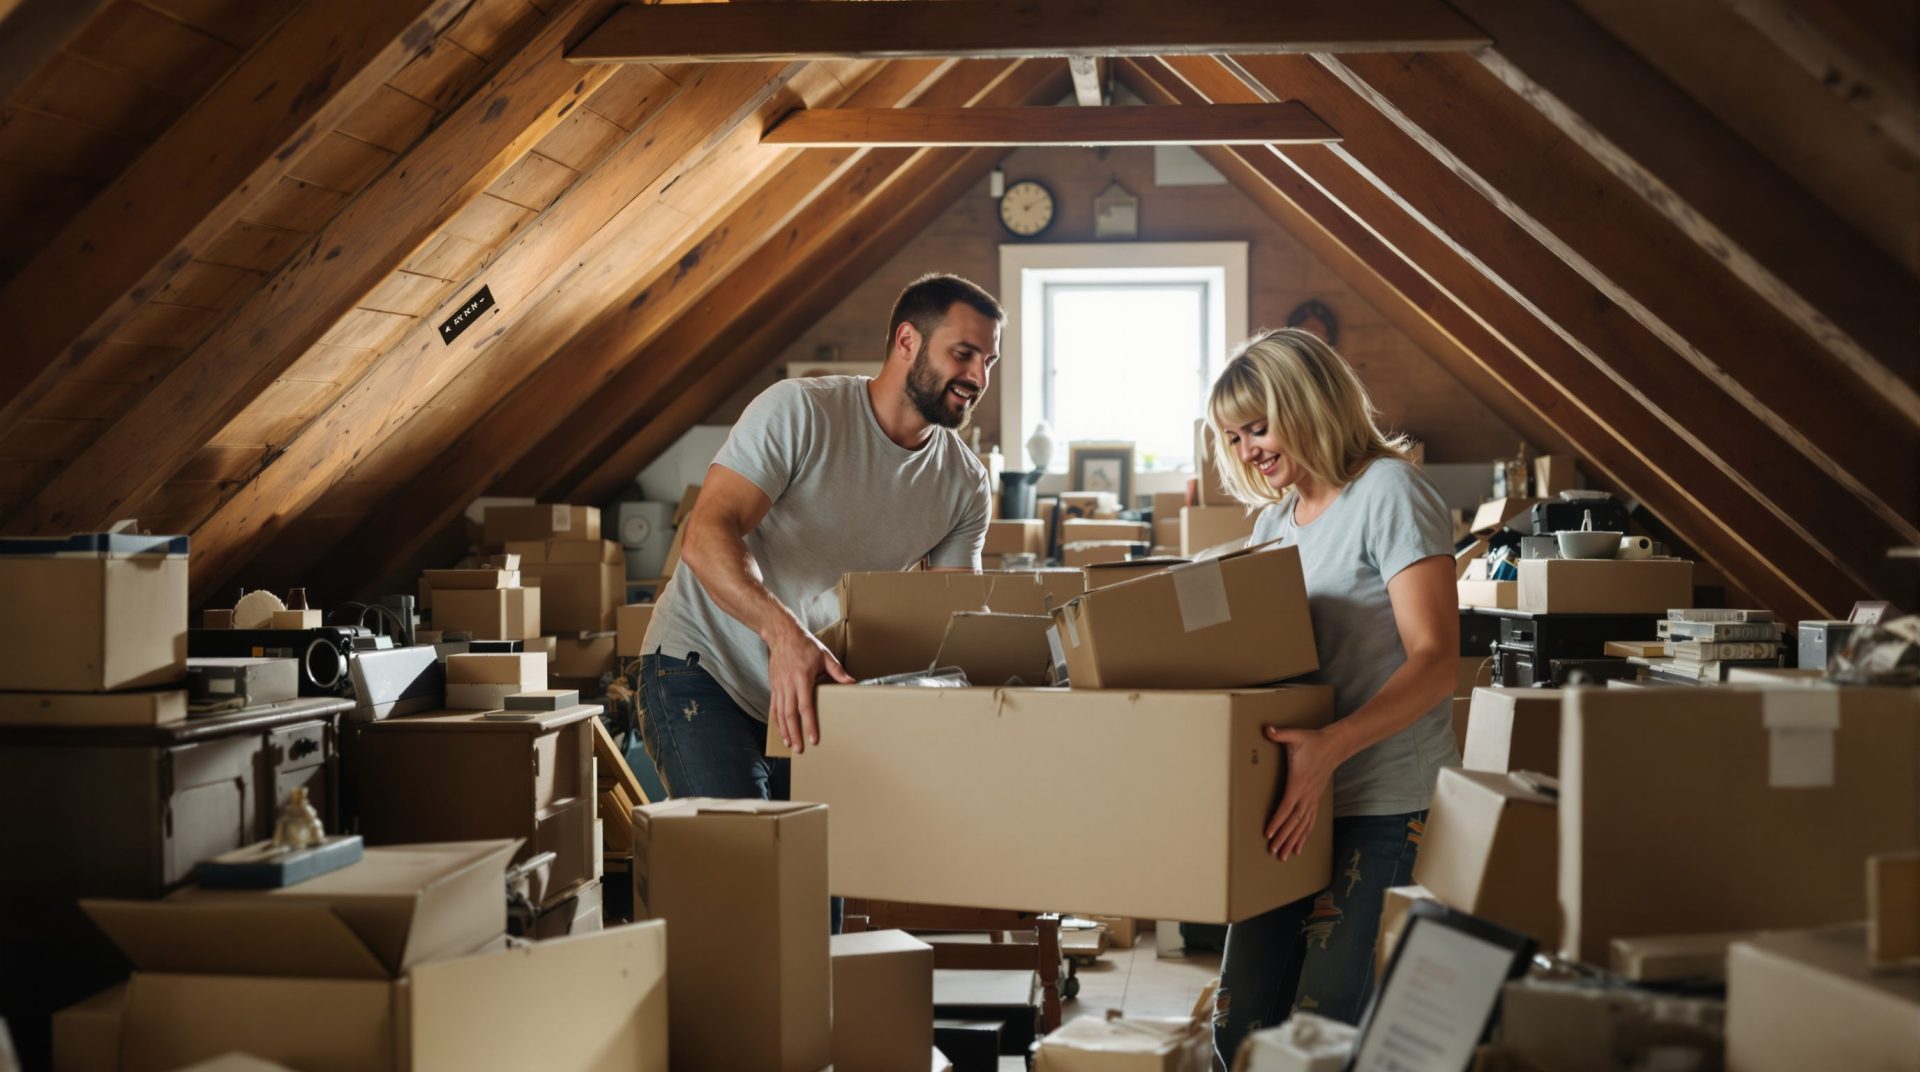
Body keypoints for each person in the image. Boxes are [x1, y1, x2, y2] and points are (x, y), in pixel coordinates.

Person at [635, 272, 1000, 801]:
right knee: (743, 863)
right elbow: (706, 532)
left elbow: (948, 621)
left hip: (815, 691)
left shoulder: (965, 484)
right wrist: (783, 635)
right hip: (704, 669)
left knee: (821, 874)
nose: (978, 377)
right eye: (964, 354)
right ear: (906, 341)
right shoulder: (801, 411)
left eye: (989, 362)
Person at [1205, 328, 1460, 1067]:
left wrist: (1331, 749)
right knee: (1239, 1027)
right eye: (1234, 436)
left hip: (1383, 805)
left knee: (1320, 1034)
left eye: (1259, 425)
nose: (1249, 448)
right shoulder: (1274, 523)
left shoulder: (1389, 492)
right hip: (1291, 808)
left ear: (1309, 401)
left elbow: (1437, 661)